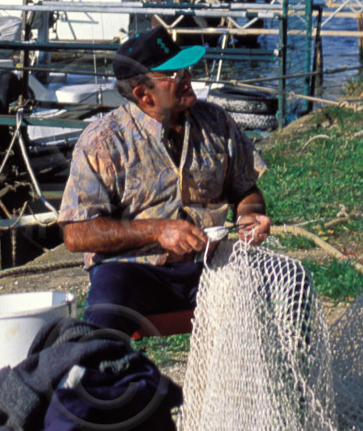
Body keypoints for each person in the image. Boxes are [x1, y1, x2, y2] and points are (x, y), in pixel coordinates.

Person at [59, 26, 270, 331]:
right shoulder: (103, 142)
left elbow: (247, 190)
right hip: (136, 274)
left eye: (186, 68)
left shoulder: (217, 122)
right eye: (173, 75)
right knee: (105, 309)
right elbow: (76, 234)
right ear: (144, 95)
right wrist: (157, 231)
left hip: (211, 267)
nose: (186, 77)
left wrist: (250, 216)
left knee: (288, 282)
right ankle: (109, 378)